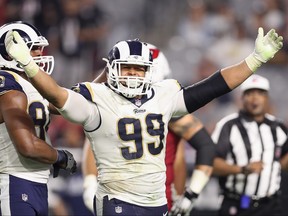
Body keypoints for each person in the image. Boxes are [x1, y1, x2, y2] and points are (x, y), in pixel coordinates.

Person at [4, 26, 282, 216]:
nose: (134, 75)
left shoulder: (164, 94)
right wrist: (29, 65)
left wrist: (255, 60)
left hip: (157, 200)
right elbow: (56, 94)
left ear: (150, 71)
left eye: (140, 69)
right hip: (117, 199)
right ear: (111, 68)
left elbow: (213, 86)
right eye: (127, 68)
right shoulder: (96, 98)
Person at [81, 44, 215, 216]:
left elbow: (205, 146)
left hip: (162, 202)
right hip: (125, 199)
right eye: (127, 69)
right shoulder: (108, 108)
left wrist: (191, 193)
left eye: (139, 70)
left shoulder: (167, 108)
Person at [0, 21, 77, 216]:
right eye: (33, 49)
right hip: (12, 181)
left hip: (35, 182)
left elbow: (71, 104)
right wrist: (60, 157)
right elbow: (28, 146)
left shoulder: (30, 84)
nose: (39, 54)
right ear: (9, 53)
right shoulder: (9, 87)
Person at [211, 74, 288, 216]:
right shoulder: (228, 126)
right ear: (242, 98)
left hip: (271, 205)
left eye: (260, 93)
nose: (255, 98)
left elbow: (282, 162)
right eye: (250, 93)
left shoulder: (278, 127)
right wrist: (242, 169)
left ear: (267, 98)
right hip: (237, 203)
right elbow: (210, 164)